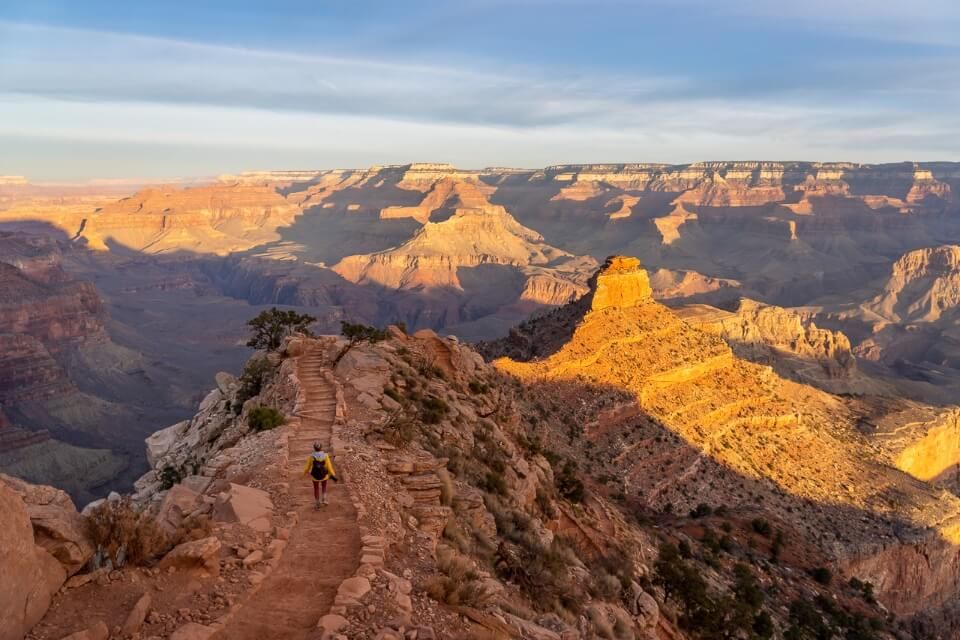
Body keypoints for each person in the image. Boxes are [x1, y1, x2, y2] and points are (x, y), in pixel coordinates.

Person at [303, 442, 337, 509]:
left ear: (314, 448)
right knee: (324, 486)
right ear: (321, 448)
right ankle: (324, 499)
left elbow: (307, 467)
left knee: (316, 488)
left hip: (315, 476)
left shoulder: (311, 457)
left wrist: (304, 474)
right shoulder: (325, 455)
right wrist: (333, 475)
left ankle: (317, 503)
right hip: (324, 475)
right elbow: (329, 467)